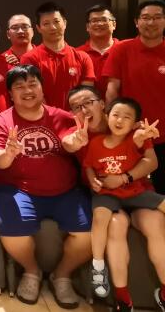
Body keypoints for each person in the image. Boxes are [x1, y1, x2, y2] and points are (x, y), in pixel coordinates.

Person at [0, 65, 91, 308]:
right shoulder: (0, 122)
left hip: (65, 191)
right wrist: (8, 153)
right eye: (19, 86)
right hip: (17, 190)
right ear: (10, 94)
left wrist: (75, 142)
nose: (27, 90)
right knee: (13, 230)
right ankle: (31, 271)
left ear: (43, 88)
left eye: (33, 84)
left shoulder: (62, 117)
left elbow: (69, 141)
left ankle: (62, 275)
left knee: (90, 234)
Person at [66, 86, 165, 312]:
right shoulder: (81, 134)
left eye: (88, 102)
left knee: (154, 222)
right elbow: (68, 143)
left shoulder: (135, 129)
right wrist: (75, 142)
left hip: (137, 191)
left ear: (102, 104)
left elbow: (151, 162)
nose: (84, 110)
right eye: (76, 107)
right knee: (115, 224)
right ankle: (122, 298)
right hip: (107, 197)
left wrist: (123, 178)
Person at [104, 0, 165, 195]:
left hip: (164, 136)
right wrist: (115, 128)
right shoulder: (122, 49)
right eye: (145, 18)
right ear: (136, 22)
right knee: (128, 191)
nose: (151, 22)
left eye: (157, 17)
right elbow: (112, 90)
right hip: (130, 134)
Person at [22, 2, 95, 110]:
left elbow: (86, 95)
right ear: (38, 28)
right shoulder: (29, 58)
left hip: (76, 117)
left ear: (64, 23)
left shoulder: (83, 57)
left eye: (56, 21)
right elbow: (32, 94)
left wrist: (73, 115)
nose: (52, 27)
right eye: (46, 23)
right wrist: (56, 117)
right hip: (44, 117)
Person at [76, 5, 118, 100]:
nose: (99, 24)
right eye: (94, 21)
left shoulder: (124, 50)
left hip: (121, 108)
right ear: (87, 27)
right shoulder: (78, 54)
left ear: (114, 25)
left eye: (104, 20)